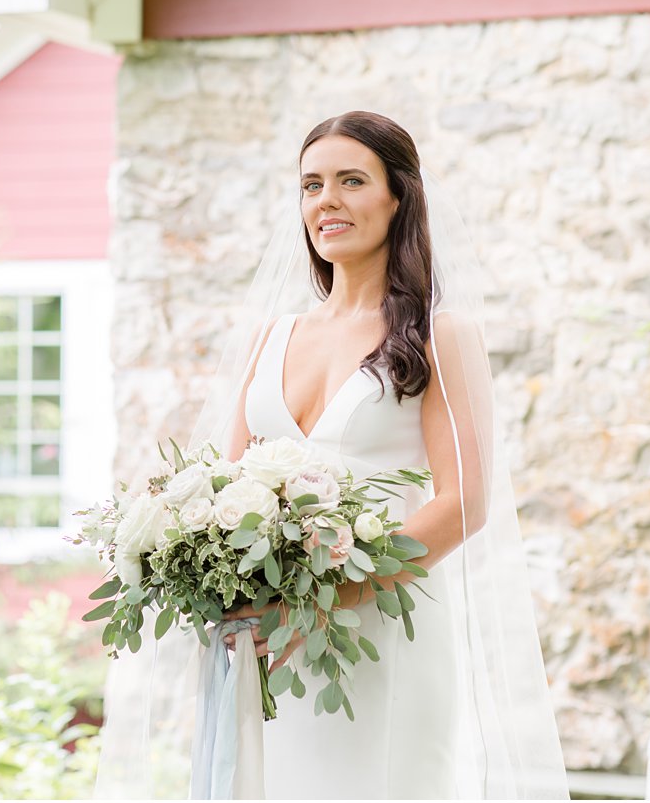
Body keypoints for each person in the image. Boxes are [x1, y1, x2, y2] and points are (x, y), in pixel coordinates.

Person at [91, 111, 569, 800]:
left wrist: (321, 605)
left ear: (398, 196)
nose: (327, 200)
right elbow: (221, 491)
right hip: (266, 640)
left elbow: (464, 501)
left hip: (378, 631)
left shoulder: (440, 335)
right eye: (312, 184)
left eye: (351, 180)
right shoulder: (270, 336)